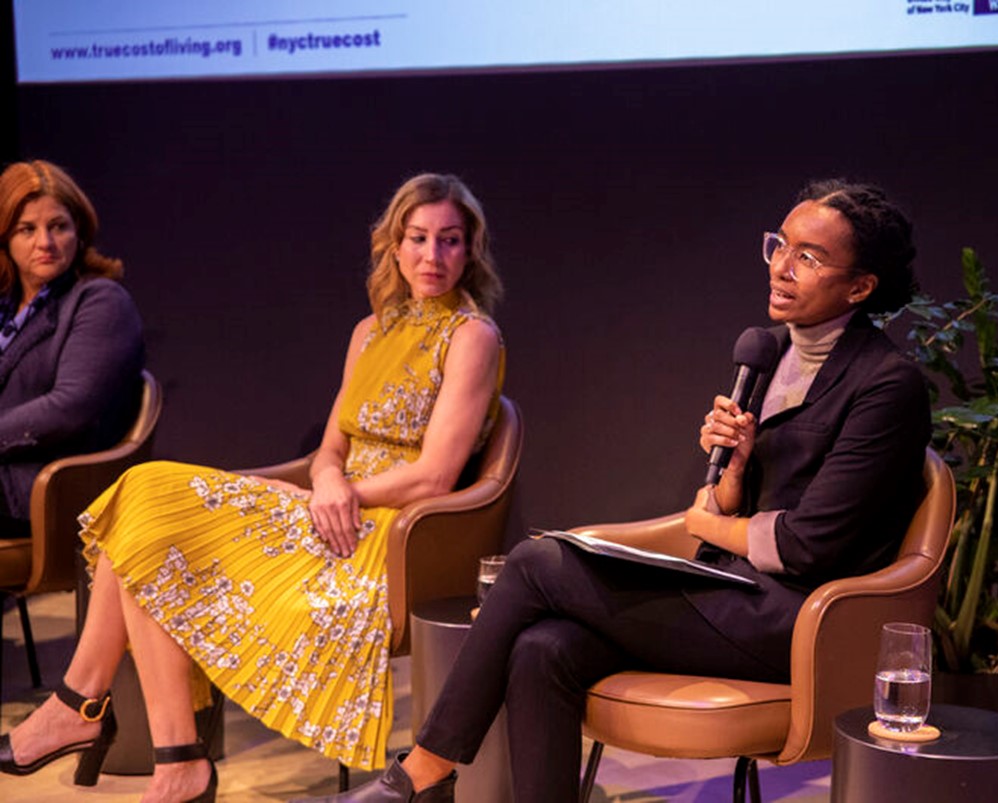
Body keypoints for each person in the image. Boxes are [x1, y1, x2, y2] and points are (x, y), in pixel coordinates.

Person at [304, 178, 932, 803]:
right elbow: (749, 506)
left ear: (860, 287)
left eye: (809, 257)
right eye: (780, 245)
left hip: (799, 622)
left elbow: (809, 545)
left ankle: (422, 774)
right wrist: (734, 476)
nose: (782, 268)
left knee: (533, 563)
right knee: (542, 648)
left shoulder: (886, 386)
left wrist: (709, 525)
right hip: (731, 594)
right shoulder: (771, 358)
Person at [0, 172, 506, 803]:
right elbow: (332, 449)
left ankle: (105, 719)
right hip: (328, 506)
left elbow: (434, 474)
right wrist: (325, 481)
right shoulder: (369, 332)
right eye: (419, 238)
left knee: (142, 525)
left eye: (450, 241)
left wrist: (345, 495)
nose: (433, 256)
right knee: (143, 500)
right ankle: (166, 754)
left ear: (471, 250)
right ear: (394, 247)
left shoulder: (472, 337)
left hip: (388, 533)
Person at [0, 159, 144, 537]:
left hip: (44, 490)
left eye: (58, 226)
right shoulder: (6, 308)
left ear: (78, 231)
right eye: (27, 229)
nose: (45, 243)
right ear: (5, 239)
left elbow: (70, 407)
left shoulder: (99, 301)